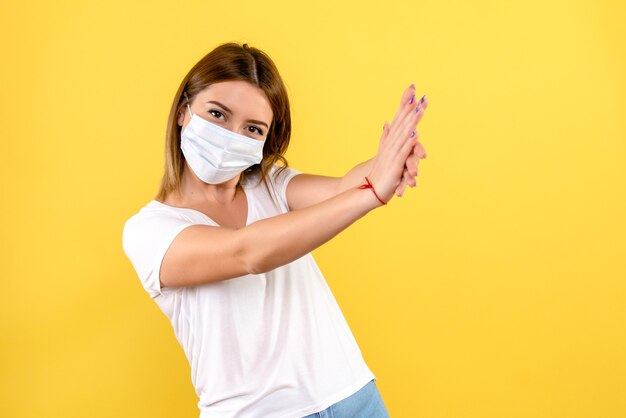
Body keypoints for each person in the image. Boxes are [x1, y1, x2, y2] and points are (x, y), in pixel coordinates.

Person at [122, 42, 429, 418]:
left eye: (252, 128)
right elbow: (246, 253)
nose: (232, 135)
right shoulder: (149, 231)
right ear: (184, 110)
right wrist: (371, 193)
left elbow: (341, 189)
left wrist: (390, 160)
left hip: (353, 398)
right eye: (217, 114)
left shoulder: (271, 184)